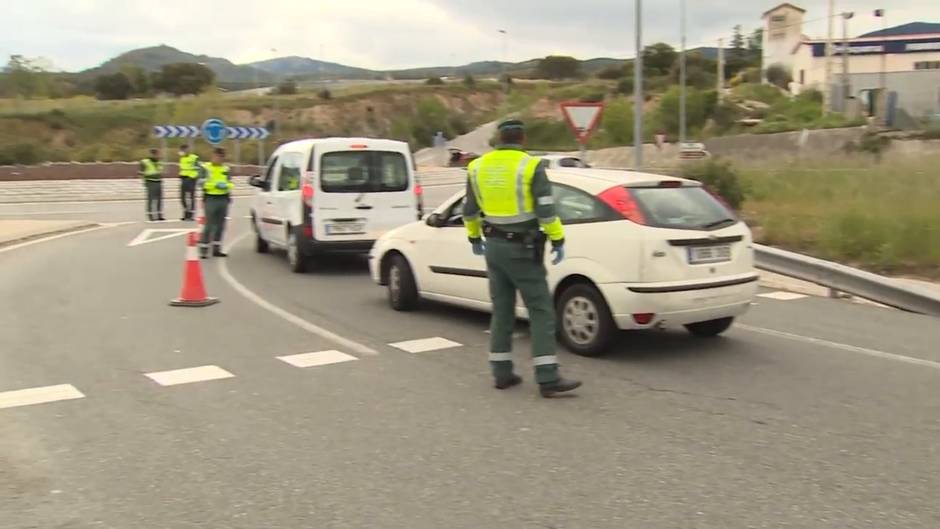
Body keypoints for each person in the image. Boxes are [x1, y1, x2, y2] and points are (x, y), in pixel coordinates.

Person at [463, 119, 582, 398]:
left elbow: (469, 211)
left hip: (492, 247)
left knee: (502, 310)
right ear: (522, 139)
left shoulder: (477, 166)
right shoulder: (530, 166)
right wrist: (557, 239)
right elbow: (546, 211)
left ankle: (501, 373)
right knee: (541, 310)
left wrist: (473, 238)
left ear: (498, 138)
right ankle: (547, 377)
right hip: (523, 249)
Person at [199, 147, 233, 259]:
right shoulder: (206, 168)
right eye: (216, 156)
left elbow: (230, 184)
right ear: (212, 156)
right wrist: (215, 185)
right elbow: (201, 183)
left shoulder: (226, 169)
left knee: (220, 225)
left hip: (223, 198)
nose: (218, 159)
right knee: (209, 224)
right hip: (211, 198)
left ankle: (216, 249)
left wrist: (226, 188)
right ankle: (204, 249)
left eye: (221, 157)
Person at [138, 148, 164, 222]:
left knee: (159, 200)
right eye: (157, 154)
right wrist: (144, 182)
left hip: (158, 182)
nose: (159, 155)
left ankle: (159, 215)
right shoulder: (145, 162)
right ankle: (151, 215)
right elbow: (140, 173)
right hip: (150, 182)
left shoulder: (159, 162)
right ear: (153, 154)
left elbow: (160, 171)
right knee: (151, 200)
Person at [178, 144, 200, 221]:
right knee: (182, 198)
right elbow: (183, 169)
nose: (182, 152)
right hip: (183, 179)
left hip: (191, 179)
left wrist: (194, 177)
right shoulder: (181, 158)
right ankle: (186, 212)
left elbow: (198, 168)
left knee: (191, 198)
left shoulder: (194, 158)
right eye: (181, 150)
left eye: (184, 150)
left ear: (187, 150)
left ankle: (191, 215)